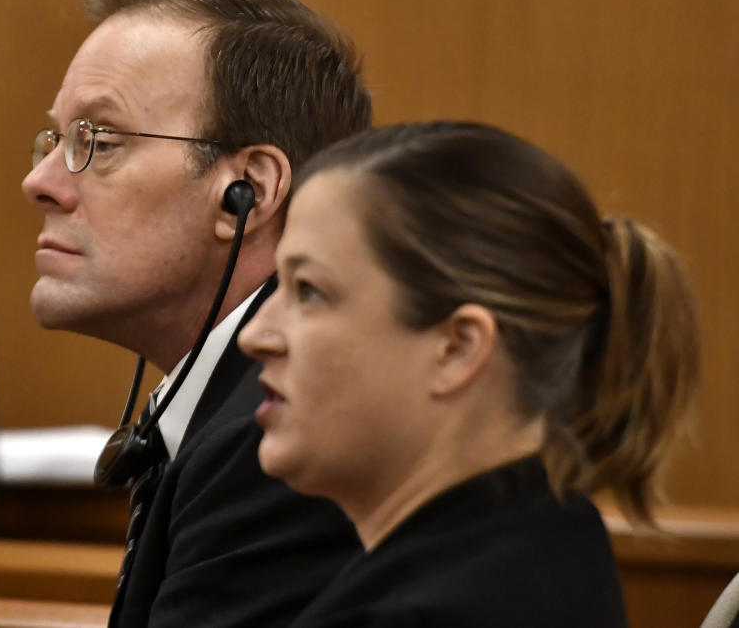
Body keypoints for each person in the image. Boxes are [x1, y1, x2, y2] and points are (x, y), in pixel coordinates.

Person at [239, 121, 700, 627]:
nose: (254, 335)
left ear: (458, 347)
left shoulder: (440, 609)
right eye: (277, 286)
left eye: (308, 291)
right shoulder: (552, 537)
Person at [21, 0, 372, 628]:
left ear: (249, 189)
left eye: (98, 142)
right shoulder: (240, 408)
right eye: (56, 140)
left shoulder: (281, 439)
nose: (39, 183)